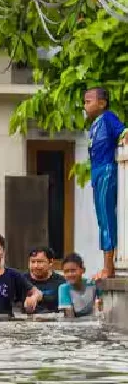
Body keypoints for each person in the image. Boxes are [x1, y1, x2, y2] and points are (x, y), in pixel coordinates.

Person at [85, 87, 127, 279]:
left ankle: (109, 267)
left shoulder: (108, 117)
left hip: (107, 171)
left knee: (107, 218)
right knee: (102, 219)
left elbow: (124, 131)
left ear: (102, 103)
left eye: (89, 101)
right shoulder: (93, 125)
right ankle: (106, 264)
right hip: (96, 172)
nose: (85, 106)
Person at [57, 253, 100, 318]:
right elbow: (68, 318)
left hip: (92, 323)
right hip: (74, 325)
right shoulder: (64, 288)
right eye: (66, 271)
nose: (70, 274)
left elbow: (101, 309)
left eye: (73, 270)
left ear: (83, 270)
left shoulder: (93, 285)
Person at [25, 246, 62, 314]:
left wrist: (41, 297)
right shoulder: (21, 280)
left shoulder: (60, 281)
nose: (36, 266)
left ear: (50, 262)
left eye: (40, 262)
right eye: (33, 262)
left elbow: (62, 304)